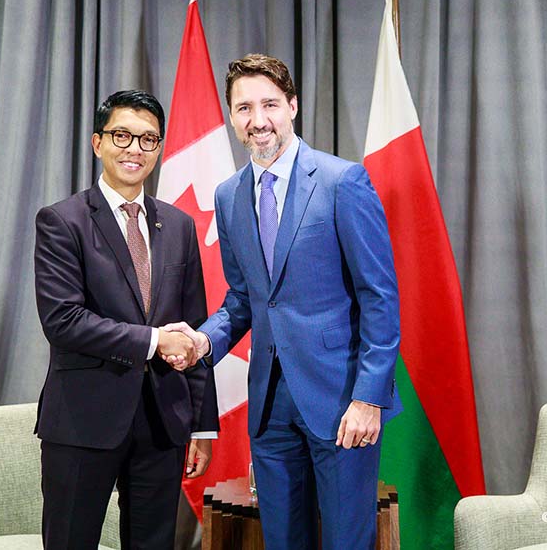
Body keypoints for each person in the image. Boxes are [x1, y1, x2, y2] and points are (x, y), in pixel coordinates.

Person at [164, 54, 401, 550]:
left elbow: (379, 297)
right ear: (232, 117)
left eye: (269, 104)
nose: (258, 120)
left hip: (342, 402)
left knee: (345, 543)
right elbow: (245, 300)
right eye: (244, 108)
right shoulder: (228, 196)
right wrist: (202, 340)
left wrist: (368, 397)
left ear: (292, 106)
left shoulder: (343, 182)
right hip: (270, 408)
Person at [33, 89, 218, 549]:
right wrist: (154, 341)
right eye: (122, 135)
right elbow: (64, 320)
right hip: (83, 420)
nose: (135, 149)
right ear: (98, 143)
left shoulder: (178, 226)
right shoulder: (62, 221)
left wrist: (200, 424)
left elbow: (193, 328)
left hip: (163, 423)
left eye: (148, 139)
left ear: (158, 148)